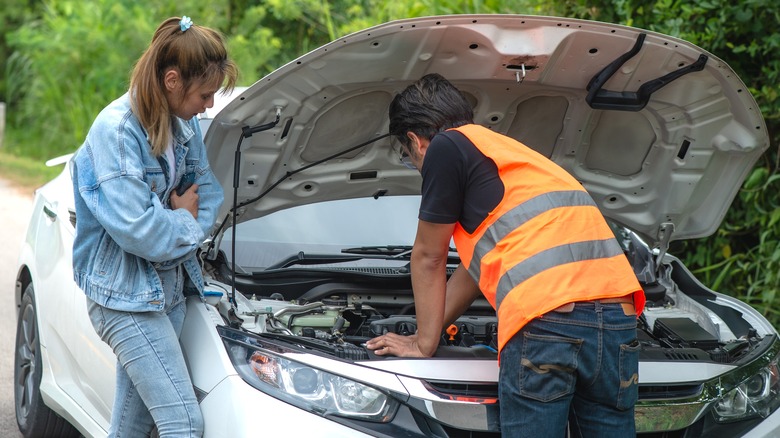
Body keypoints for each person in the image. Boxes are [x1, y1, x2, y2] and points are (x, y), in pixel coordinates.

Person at [365, 73, 646, 437]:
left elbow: (428, 257)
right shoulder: (507, 152)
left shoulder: (445, 147)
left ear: (416, 143)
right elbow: (473, 272)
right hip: (618, 319)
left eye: (409, 157)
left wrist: (422, 344)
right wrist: (428, 332)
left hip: (550, 320)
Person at [70, 16, 237, 437]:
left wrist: (175, 219)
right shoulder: (117, 133)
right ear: (172, 80)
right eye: (205, 94)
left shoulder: (183, 125)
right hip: (124, 299)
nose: (209, 106)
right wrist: (181, 215)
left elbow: (209, 197)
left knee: (133, 424)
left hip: (169, 290)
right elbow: (140, 232)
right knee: (182, 421)